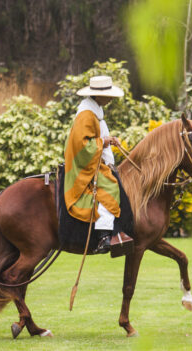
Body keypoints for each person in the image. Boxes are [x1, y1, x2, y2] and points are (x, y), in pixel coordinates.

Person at [63, 75, 125, 253]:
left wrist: (106, 141)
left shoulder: (95, 111)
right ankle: (104, 235)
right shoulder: (86, 115)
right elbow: (82, 145)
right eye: (109, 96)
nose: (111, 99)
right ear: (98, 96)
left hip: (94, 161)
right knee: (111, 187)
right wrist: (103, 142)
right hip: (84, 165)